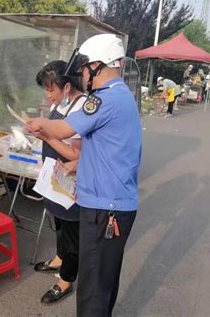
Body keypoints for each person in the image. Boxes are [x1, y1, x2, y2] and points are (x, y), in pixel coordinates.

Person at [26, 34, 142, 316]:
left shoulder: (104, 100)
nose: (82, 75)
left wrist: (38, 124)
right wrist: (80, 165)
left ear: (96, 66)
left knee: (92, 289)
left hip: (105, 209)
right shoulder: (122, 95)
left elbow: (62, 130)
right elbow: (108, 148)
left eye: (83, 69)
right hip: (111, 204)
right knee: (102, 283)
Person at [33, 60, 87, 304]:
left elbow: (76, 154)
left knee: (72, 231)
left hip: (72, 180)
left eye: (50, 89)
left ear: (67, 87)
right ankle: (59, 258)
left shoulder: (81, 107)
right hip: (55, 178)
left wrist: (46, 135)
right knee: (59, 223)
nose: (48, 95)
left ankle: (66, 280)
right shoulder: (63, 104)